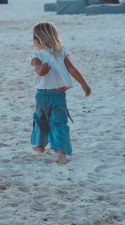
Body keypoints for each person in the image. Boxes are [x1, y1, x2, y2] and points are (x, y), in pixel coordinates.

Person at [30, 22, 91, 165]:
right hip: (56, 96)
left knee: (41, 120)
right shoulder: (46, 54)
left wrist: (84, 83)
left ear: (37, 39)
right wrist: (84, 84)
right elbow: (39, 69)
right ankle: (60, 152)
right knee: (58, 123)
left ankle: (40, 146)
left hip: (43, 96)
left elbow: (70, 69)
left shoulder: (53, 52)